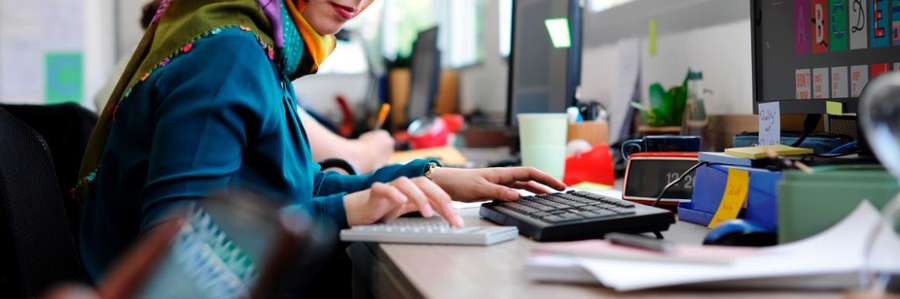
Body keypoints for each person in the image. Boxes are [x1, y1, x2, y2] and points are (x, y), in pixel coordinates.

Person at [77, 0, 565, 283]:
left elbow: (299, 186)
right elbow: (180, 259)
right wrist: (348, 212)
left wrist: (427, 175)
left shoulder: (260, 47)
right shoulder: (228, 55)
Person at [95, 0, 394, 173]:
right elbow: (186, 233)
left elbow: (293, 189)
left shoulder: (268, 48)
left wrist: (424, 172)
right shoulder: (230, 52)